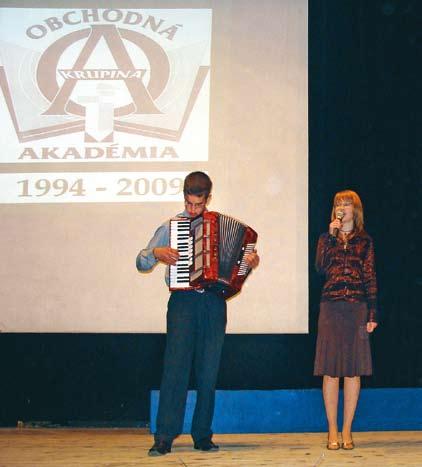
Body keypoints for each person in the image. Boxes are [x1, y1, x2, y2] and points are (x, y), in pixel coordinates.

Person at [136, 171, 259, 456]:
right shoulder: (171, 226)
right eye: (189, 204)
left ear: (208, 200)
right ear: (184, 198)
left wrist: (249, 263)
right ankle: (164, 436)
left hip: (213, 303)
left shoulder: (218, 225)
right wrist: (156, 253)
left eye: (198, 205)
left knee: (208, 370)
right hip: (182, 303)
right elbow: (141, 261)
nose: (193, 210)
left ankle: (202, 434)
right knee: (174, 368)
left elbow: (238, 267)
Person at [314, 189, 378, 450]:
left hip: (356, 309)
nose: (342, 207)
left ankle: (347, 430)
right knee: (330, 371)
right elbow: (320, 267)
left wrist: (372, 313)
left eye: (347, 204)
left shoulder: (365, 241)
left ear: (356, 210)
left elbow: (370, 277)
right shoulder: (325, 238)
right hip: (330, 308)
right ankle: (331, 430)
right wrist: (331, 236)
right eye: (338, 203)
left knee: (353, 372)